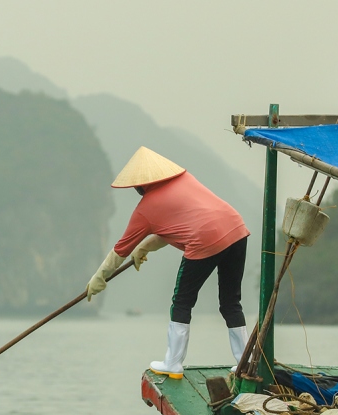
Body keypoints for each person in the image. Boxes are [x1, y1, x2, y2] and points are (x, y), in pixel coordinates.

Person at [86, 146, 250, 379]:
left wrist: (99, 277)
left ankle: (172, 363)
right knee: (231, 302)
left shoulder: (146, 208)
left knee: (182, 302)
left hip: (204, 240)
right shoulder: (185, 179)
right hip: (236, 229)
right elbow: (173, 227)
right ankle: (246, 362)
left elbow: (121, 249)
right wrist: (143, 248)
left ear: (139, 185)